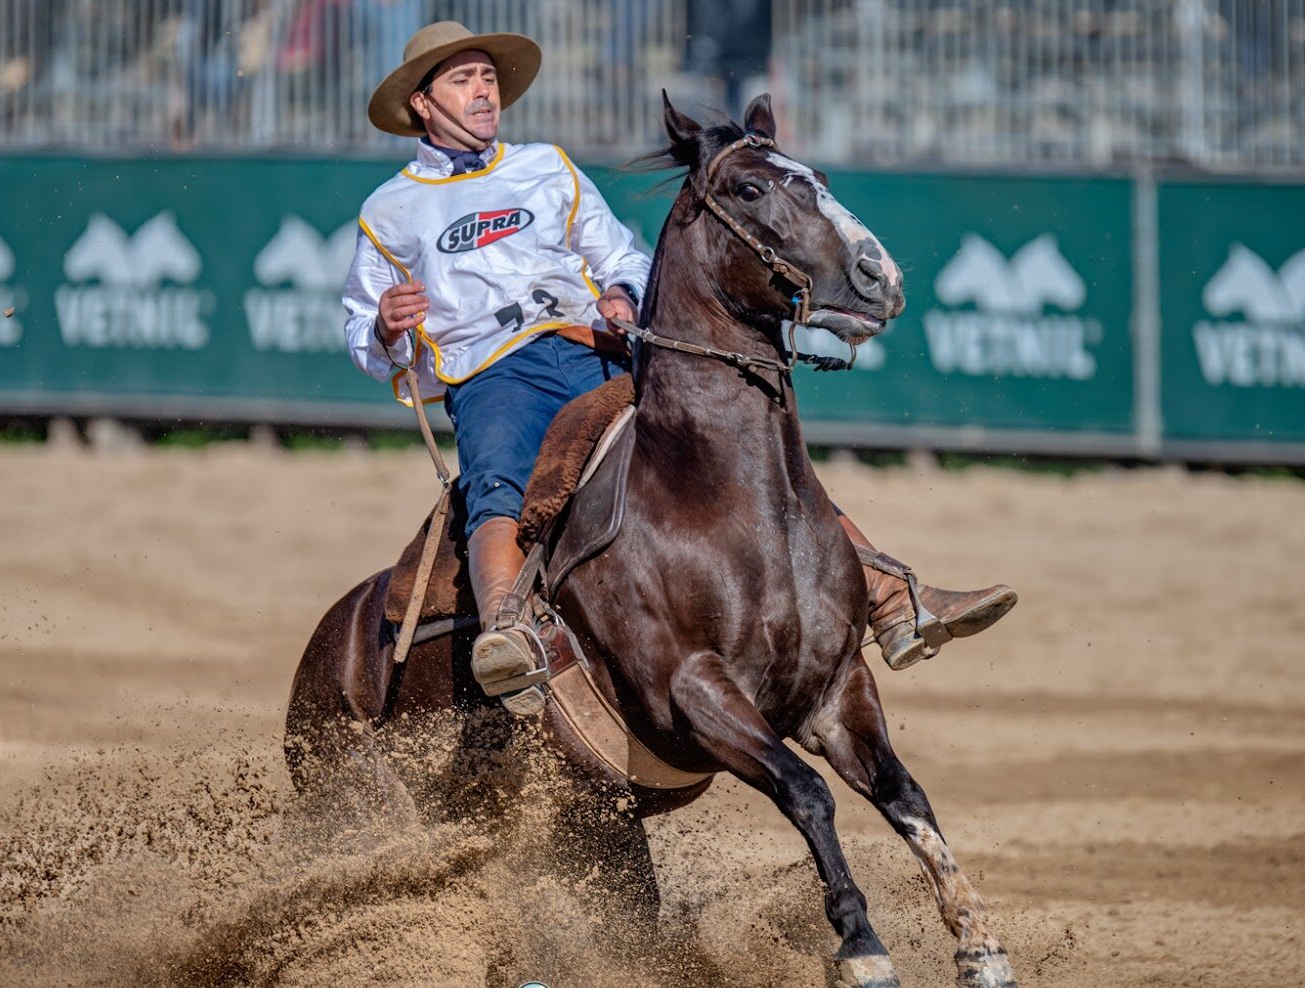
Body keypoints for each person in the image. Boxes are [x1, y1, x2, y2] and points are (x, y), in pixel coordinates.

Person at [342, 21, 1015, 712]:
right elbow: (361, 337)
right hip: (493, 374)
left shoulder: (547, 167)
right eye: (463, 80)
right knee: (498, 482)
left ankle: (891, 597)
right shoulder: (388, 212)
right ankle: (509, 635)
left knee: (726, 451)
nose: (483, 92)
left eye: (487, 78)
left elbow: (624, 257)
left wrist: (622, 295)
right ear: (422, 105)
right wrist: (387, 327)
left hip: (592, 346)